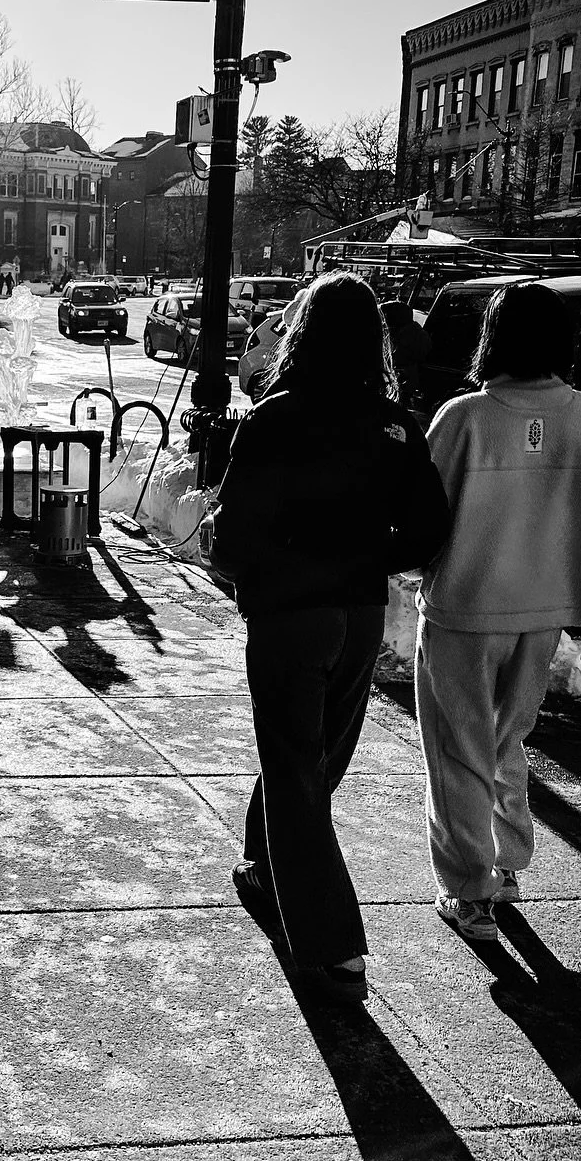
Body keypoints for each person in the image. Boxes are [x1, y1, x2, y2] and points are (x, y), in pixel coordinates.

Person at [217, 273, 451, 1003]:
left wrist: (268, 566)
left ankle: (333, 945)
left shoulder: (274, 418)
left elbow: (232, 538)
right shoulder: (395, 425)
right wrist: (369, 556)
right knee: (312, 762)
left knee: (295, 768)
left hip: (291, 615)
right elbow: (428, 531)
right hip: (357, 615)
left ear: (301, 334)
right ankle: (265, 864)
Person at [418, 282, 581, 943]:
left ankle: (470, 892)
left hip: (467, 605)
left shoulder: (463, 416)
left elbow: (425, 518)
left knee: (457, 750)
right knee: (507, 740)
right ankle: (505, 864)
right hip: (545, 604)